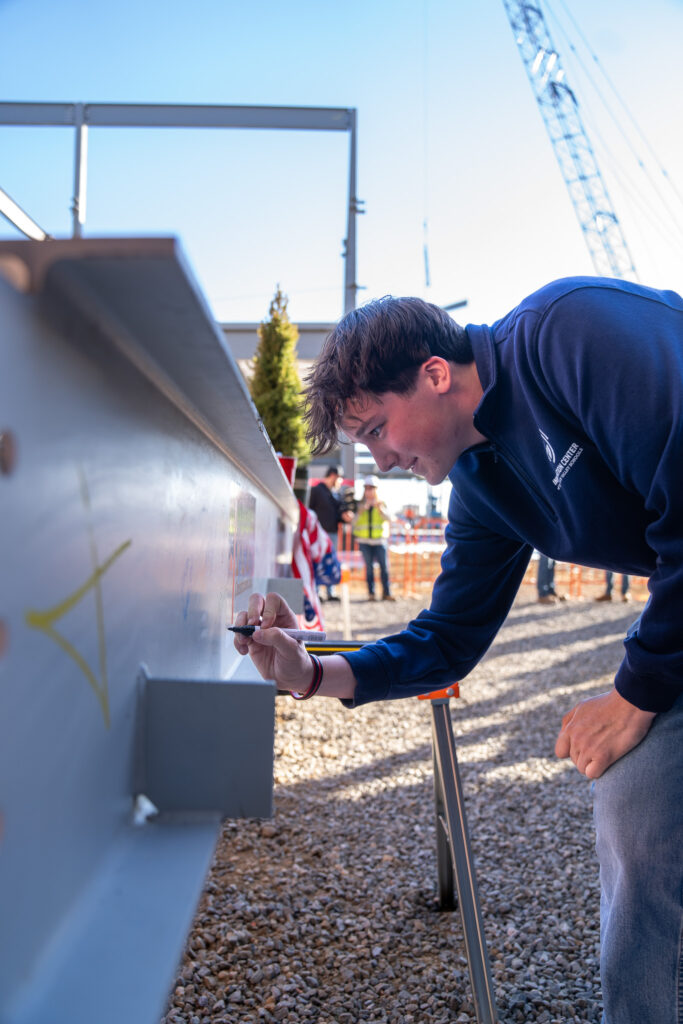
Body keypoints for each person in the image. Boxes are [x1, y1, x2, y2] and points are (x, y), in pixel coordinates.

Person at [234, 277, 683, 1024]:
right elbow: (445, 639)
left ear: (434, 375)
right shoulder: (482, 482)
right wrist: (311, 673)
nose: (376, 460)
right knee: (634, 801)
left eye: (377, 429)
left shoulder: (568, 335)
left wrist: (633, 695)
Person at [307, 465, 353, 601]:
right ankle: (317, 591)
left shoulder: (336, 494)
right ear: (333, 476)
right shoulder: (316, 490)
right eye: (339, 479)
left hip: (332, 533)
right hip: (317, 533)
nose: (340, 482)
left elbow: (337, 514)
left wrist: (344, 516)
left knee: (330, 561)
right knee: (317, 561)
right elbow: (309, 510)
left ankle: (330, 591)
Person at [353, 475, 395, 601]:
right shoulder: (359, 504)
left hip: (380, 540)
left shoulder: (382, 503)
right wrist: (360, 511)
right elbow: (353, 522)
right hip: (364, 541)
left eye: (371, 488)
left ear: (376, 489)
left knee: (384, 568)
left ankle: (387, 593)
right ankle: (371, 594)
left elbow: (389, 518)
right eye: (366, 488)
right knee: (369, 569)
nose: (369, 491)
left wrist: (380, 508)